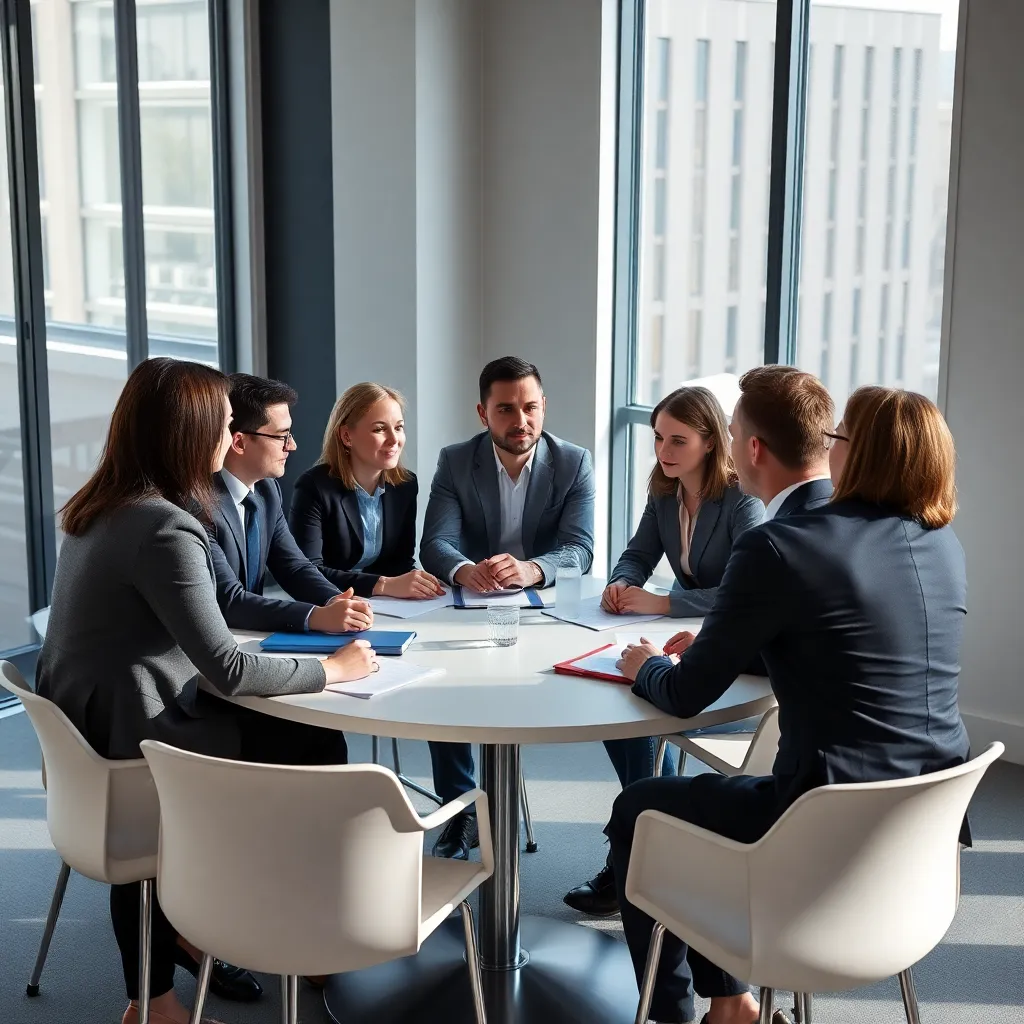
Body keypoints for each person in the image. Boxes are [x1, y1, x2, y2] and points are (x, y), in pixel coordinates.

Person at [610, 375, 970, 1024]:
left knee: (639, 806)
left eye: (841, 437)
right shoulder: (938, 541)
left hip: (816, 834)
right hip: (916, 845)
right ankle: (730, 1006)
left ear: (750, 448)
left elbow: (684, 697)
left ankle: (694, 1011)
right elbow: (846, 638)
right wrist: (730, 641)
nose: (832, 447)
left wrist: (646, 666)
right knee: (703, 802)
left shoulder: (777, 544)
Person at [35, 358, 377, 1024]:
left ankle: (216, 925)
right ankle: (165, 996)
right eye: (223, 425)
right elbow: (229, 669)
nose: (230, 438)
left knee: (306, 741)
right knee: (313, 750)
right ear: (191, 434)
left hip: (87, 730)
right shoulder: (164, 527)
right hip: (133, 744)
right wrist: (336, 670)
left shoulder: (103, 505)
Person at [564, 386, 764, 917]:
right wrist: (621, 583)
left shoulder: (742, 500)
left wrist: (663, 602)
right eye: (658, 437)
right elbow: (637, 553)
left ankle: (638, 854)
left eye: (678, 440)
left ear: (710, 441)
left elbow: (744, 592)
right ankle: (645, 849)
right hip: (682, 643)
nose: (663, 450)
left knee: (639, 718)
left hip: (733, 657)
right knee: (621, 708)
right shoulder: (664, 491)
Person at [420, 355, 596, 859]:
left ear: (544, 407)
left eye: (530, 407)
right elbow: (435, 544)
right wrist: (463, 569)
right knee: (440, 685)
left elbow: (581, 549)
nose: (521, 420)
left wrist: (532, 568)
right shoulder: (457, 461)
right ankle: (461, 809)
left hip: (545, 612)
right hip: (473, 607)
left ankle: (633, 826)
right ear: (483, 413)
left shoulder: (573, 461)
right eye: (506, 409)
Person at [209, 373, 374, 635]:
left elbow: (293, 566)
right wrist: (315, 617)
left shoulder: (267, 490)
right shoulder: (199, 504)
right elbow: (228, 599)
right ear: (239, 442)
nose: (292, 445)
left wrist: (335, 600)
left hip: (250, 635)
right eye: (282, 436)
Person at [289, 382, 444, 599]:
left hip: (383, 605)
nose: (394, 440)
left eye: (398, 427)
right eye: (379, 429)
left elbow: (400, 562)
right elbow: (308, 573)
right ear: (346, 436)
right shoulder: (313, 486)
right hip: (329, 602)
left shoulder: (405, 485)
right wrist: (383, 585)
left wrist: (419, 583)